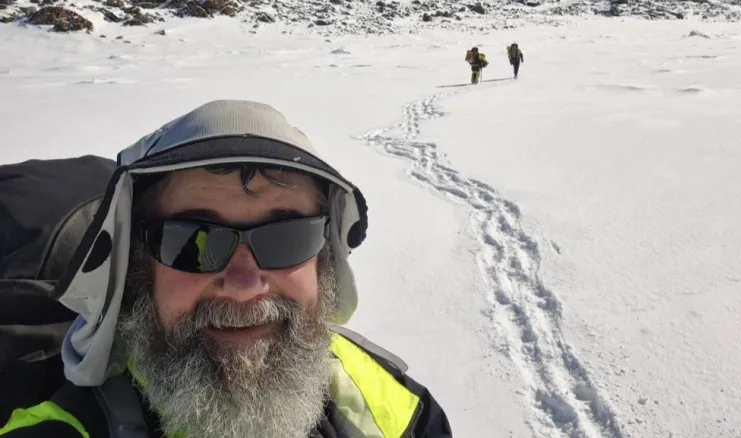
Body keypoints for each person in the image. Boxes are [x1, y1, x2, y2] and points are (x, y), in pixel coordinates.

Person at [0, 100, 453, 438]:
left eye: (288, 237)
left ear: (325, 259)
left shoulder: (398, 412)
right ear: (138, 268)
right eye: (193, 242)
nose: (244, 285)